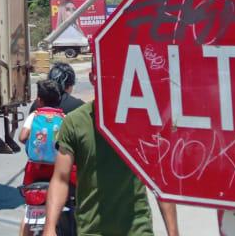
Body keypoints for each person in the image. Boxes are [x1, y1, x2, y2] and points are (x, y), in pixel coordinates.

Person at [43, 67, 178, 236]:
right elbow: (60, 179)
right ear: (92, 77)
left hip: (137, 229)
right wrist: (49, 228)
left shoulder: (141, 120)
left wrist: (173, 233)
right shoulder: (75, 122)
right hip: (92, 230)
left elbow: (161, 180)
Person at [19, 79, 69, 236]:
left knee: (29, 209)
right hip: (57, 170)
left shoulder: (34, 115)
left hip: (35, 169)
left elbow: (22, 137)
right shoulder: (65, 118)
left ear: (39, 100)